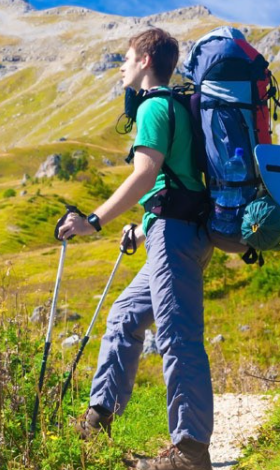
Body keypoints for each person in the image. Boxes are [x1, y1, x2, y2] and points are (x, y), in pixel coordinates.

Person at [55, 27, 214, 470]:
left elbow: (145, 174)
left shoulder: (156, 106)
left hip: (175, 238)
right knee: (125, 316)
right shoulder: (175, 107)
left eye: (126, 58)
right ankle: (97, 419)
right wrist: (144, 229)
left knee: (178, 337)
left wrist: (93, 222)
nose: (122, 66)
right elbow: (177, 183)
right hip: (174, 232)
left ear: (145, 60)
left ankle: (189, 453)